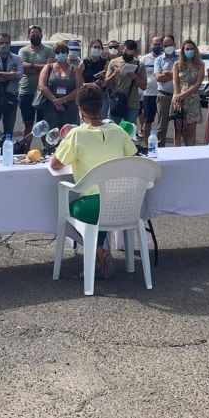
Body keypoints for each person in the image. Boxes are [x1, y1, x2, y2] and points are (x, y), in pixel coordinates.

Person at [50, 84, 137, 279]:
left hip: (95, 204)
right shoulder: (117, 129)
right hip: (124, 202)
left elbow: (55, 163)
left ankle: (99, 252)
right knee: (104, 211)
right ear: (102, 106)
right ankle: (99, 255)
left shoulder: (76, 134)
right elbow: (132, 154)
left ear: (79, 108)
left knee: (77, 208)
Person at [18, 25, 54, 139]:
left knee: (43, 125)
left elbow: (49, 67)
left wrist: (31, 65)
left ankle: (45, 149)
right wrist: (41, 67)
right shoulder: (23, 51)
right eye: (33, 35)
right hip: (26, 91)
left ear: (41, 35)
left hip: (43, 93)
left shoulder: (49, 50)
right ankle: (25, 149)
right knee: (28, 124)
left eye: (37, 35)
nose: (35, 37)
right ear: (29, 36)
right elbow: (23, 68)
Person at [37, 41, 83, 130]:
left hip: (70, 108)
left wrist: (63, 100)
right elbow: (42, 86)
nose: (60, 54)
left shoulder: (75, 69)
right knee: (52, 135)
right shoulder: (48, 67)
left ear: (67, 53)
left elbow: (78, 89)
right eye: (58, 52)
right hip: (51, 107)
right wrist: (56, 101)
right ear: (55, 54)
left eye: (63, 52)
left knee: (69, 134)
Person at [0, 33, 23, 147]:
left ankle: (5, 153)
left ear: (10, 44)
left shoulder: (17, 58)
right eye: (1, 43)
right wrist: (9, 74)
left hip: (10, 98)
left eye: (6, 43)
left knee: (8, 131)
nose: (4, 45)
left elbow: (18, 75)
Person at [170, 40, 205, 146]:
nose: (190, 51)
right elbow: (175, 81)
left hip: (192, 98)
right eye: (187, 49)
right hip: (178, 98)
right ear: (183, 51)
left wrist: (182, 95)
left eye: (192, 49)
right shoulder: (177, 64)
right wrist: (178, 98)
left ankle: (190, 151)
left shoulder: (200, 64)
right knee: (178, 128)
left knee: (191, 129)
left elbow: (198, 83)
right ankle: (177, 152)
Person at [105, 39, 147, 125]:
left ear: (134, 52)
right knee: (113, 129)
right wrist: (115, 73)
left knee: (129, 131)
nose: (128, 55)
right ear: (123, 49)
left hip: (132, 103)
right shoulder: (114, 62)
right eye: (126, 52)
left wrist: (135, 77)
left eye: (131, 54)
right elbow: (107, 83)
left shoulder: (139, 65)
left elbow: (144, 86)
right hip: (117, 100)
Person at [153, 35, 179, 146]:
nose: (168, 47)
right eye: (165, 45)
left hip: (178, 96)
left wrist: (167, 73)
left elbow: (184, 76)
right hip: (164, 96)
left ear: (174, 44)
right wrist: (175, 74)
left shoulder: (180, 59)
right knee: (161, 127)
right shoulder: (159, 59)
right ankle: (160, 150)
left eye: (170, 44)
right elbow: (158, 77)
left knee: (179, 126)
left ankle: (178, 152)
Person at [140, 35, 163, 142]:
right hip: (149, 94)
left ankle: (160, 142)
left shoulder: (164, 58)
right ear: (151, 45)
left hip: (162, 93)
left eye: (159, 44)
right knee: (148, 120)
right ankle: (146, 143)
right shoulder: (144, 59)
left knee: (162, 122)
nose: (157, 46)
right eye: (155, 44)